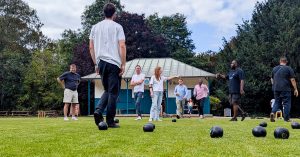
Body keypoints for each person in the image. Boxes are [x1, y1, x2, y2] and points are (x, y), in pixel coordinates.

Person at [89, 3, 126, 128]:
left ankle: (98, 111)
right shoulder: (118, 27)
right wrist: (123, 64)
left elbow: (91, 47)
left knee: (107, 90)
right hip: (114, 63)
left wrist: (96, 64)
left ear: (103, 13)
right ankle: (110, 121)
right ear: (114, 14)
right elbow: (122, 46)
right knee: (113, 92)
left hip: (101, 63)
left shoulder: (95, 27)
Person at [270, 57, 298, 122]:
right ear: (286, 62)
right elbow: (292, 79)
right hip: (285, 88)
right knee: (286, 103)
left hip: (276, 88)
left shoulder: (274, 69)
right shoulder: (288, 68)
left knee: (277, 102)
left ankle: (273, 113)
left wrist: (274, 85)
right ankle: (286, 118)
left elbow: (272, 79)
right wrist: (295, 89)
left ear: (280, 61)